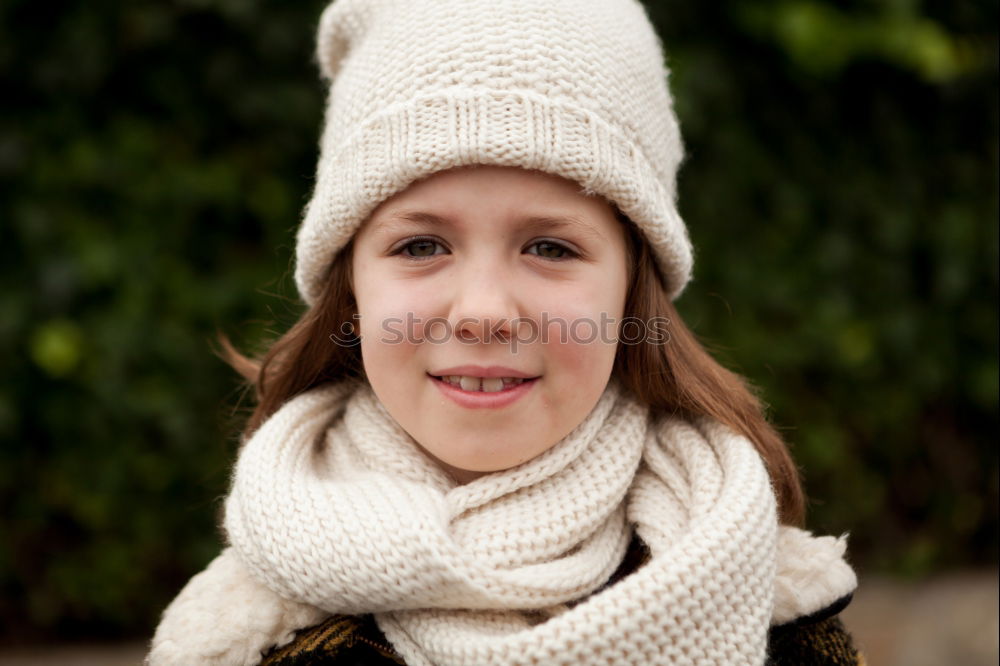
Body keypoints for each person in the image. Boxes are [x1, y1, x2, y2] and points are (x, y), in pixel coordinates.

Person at [147, 0, 863, 664]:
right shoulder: (241, 635)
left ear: (631, 286)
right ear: (351, 292)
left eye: (550, 247)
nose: (483, 311)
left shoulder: (777, 608)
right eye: (421, 246)